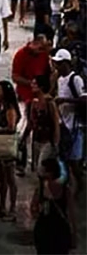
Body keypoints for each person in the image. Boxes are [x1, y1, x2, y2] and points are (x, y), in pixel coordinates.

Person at [53, 49, 86, 195]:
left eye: (59, 64)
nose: (57, 66)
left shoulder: (76, 80)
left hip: (74, 125)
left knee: (74, 161)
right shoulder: (60, 80)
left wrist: (65, 100)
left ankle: (80, 184)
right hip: (63, 124)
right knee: (63, 159)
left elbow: (84, 99)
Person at [32, 157, 78, 254]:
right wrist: (73, 233)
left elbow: (33, 208)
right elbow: (71, 215)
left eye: (44, 170)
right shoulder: (66, 190)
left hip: (45, 229)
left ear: (51, 172)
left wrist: (38, 213)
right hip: (59, 230)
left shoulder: (41, 189)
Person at [0, 80, 20, 222]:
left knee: (10, 179)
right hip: (0, 148)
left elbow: (12, 127)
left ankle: (12, 209)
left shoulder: (9, 108)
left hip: (6, 147)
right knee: (2, 179)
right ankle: (2, 206)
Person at [21, 74, 60, 175]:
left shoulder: (49, 103)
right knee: (37, 168)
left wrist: (55, 143)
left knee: (41, 167)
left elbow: (56, 123)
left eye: (35, 84)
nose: (32, 86)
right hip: (37, 139)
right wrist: (24, 137)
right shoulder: (34, 103)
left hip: (47, 140)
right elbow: (31, 122)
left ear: (41, 87)